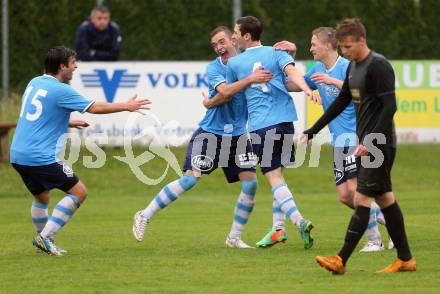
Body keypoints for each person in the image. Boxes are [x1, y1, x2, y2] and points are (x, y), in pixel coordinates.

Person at [132, 26, 273, 248]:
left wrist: (285, 51)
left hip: (238, 136)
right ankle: (144, 215)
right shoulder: (214, 68)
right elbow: (225, 93)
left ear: (234, 40)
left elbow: (269, 68)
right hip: (210, 133)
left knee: (251, 185)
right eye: (214, 45)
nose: (219, 48)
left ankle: (234, 237)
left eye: (221, 42)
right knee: (190, 178)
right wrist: (249, 80)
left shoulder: (248, 64)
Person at [10, 46, 150, 256]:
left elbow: (38, 116)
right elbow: (95, 107)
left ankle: (45, 244)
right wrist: (126, 106)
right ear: (62, 66)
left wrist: (67, 121)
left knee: (42, 198)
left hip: (18, 155)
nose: (76, 67)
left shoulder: (34, 83)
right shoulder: (61, 90)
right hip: (39, 157)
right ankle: (45, 237)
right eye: (73, 63)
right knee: (79, 192)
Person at [301, 18, 416, 273]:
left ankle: (341, 259)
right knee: (385, 199)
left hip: (378, 142)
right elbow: (341, 102)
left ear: (362, 41)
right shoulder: (353, 67)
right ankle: (405, 259)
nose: (344, 52)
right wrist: (313, 130)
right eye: (341, 47)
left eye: (348, 47)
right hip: (367, 142)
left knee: (361, 196)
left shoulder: (379, 66)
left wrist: (370, 140)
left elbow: (390, 107)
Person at [269, 28, 391, 252]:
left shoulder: (348, 67)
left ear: (327, 45)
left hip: (356, 136)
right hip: (338, 141)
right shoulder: (317, 69)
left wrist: (332, 82)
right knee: (345, 197)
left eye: (314, 43)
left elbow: (363, 94)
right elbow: (293, 84)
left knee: (356, 190)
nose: (311, 48)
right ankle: (390, 222)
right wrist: (287, 61)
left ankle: (375, 240)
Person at [226, 16, 319, 250]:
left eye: (236, 32)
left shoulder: (235, 64)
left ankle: (299, 221)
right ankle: (278, 229)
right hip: (286, 122)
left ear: (247, 36)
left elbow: (229, 92)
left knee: (274, 178)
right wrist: (308, 90)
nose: (233, 36)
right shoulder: (277, 52)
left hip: (261, 126)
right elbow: (293, 73)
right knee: (279, 177)